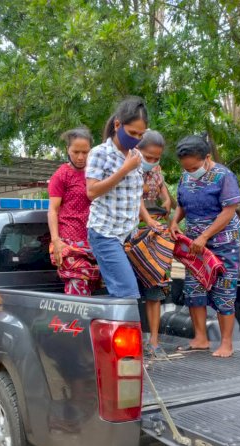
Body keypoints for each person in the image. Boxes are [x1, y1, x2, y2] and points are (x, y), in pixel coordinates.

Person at [169, 135, 240, 358]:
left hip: (223, 242)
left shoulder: (224, 176)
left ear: (207, 158)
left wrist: (205, 236)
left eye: (194, 167)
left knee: (224, 289)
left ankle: (226, 343)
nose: (190, 171)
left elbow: (229, 211)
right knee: (194, 289)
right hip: (195, 244)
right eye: (186, 168)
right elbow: (182, 204)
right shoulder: (185, 177)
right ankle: (201, 338)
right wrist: (174, 221)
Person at [85, 96, 159, 298]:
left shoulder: (136, 156)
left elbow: (135, 196)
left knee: (137, 291)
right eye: (132, 132)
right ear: (117, 125)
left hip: (129, 236)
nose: (136, 138)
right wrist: (124, 170)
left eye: (140, 134)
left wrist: (148, 220)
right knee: (127, 293)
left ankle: (102, 326)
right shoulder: (100, 153)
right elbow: (91, 192)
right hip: (105, 233)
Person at [48, 127, 100, 296]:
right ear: (67, 150)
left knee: (95, 291)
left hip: (94, 241)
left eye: (85, 152)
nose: (80, 157)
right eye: (75, 152)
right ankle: (75, 323)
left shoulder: (96, 174)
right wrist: (56, 240)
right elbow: (53, 210)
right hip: (68, 243)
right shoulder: (61, 175)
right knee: (78, 289)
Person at [137, 130, 172, 356]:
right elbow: (134, 198)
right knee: (131, 291)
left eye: (155, 158)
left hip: (155, 234)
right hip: (134, 234)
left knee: (155, 291)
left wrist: (167, 201)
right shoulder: (128, 170)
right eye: (147, 157)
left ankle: (154, 341)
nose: (151, 162)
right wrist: (147, 219)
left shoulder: (157, 172)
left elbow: (164, 195)